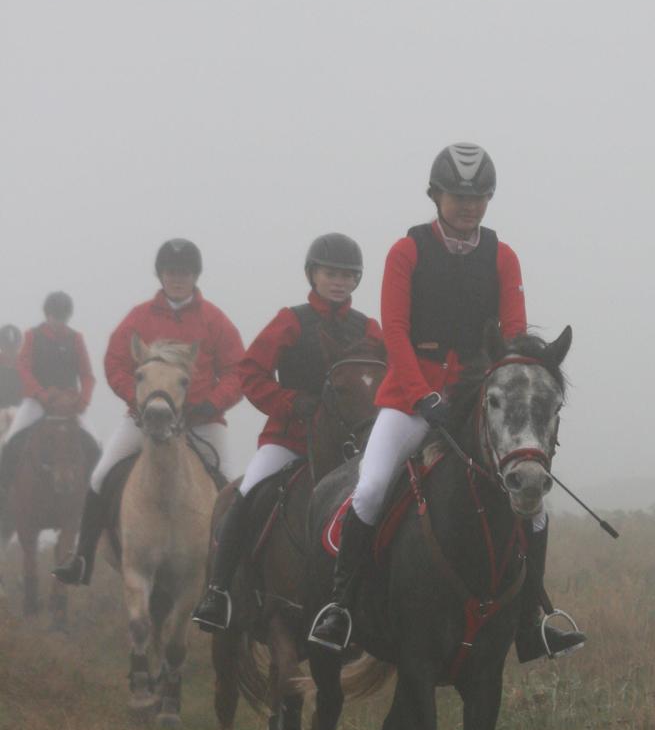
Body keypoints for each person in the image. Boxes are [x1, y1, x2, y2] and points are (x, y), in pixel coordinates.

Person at [308, 143, 585, 661]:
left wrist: (495, 393)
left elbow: (513, 334)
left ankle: (531, 621)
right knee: (368, 490)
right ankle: (341, 608)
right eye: (459, 195)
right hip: (410, 398)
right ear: (436, 196)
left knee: (532, 503)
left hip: (477, 402)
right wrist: (422, 396)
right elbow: (394, 330)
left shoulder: (503, 257)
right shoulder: (406, 252)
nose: (469, 206)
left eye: (479, 196)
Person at [193, 233, 383, 632]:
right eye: (331, 273)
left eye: (348, 276)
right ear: (313, 274)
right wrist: (292, 402)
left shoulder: (368, 328)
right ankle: (218, 591)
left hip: (350, 447)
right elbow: (250, 373)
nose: (339, 282)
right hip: (290, 438)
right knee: (245, 496)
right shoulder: (290, 320)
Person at [55, 239, 243, 585]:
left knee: (232, 488)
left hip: (201, 421)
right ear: (161, 275)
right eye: (171, 272)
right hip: (144, 418)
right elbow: (116, 363)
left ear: (195, 276)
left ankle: (233, 577)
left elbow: (236, 370)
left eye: (184, 273)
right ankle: (82, 558)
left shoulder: (214, 320)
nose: (177, 279)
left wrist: (212, 403)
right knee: (100, 475)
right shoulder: (139, 317)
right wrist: (138, 400)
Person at [0, 294, 96, 510]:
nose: (58, 321)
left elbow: (87, 375)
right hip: (37, 402)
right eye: (54, 316)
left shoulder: (76, 338)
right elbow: (24, 369)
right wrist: (40, 394)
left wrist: (83, 401)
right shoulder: (32, 336)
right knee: (11, 441)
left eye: (62, 317)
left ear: (68, 316)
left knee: (93, 442)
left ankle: (93, 497)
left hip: (69, 403)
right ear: (47, 315)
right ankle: (4, 490)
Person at [0, 324, 24, 411]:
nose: (10, 351)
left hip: (20, 410)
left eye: (13, 347)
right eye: (6, 346)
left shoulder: (26, 364)